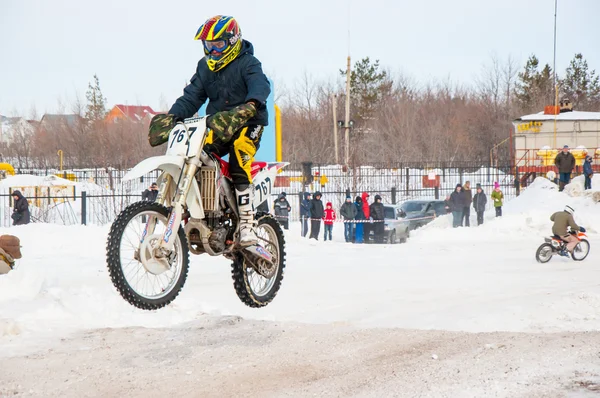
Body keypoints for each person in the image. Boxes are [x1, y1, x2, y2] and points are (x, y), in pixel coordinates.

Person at [148, 15, 270, 246]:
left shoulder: (248, 63)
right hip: (217, 123)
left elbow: (260, 85)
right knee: (195, 155)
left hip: (248, 122)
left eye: (218, 45)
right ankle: (202, 207)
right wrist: (173, 116)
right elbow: (191, 96)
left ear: (233, 41)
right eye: (208, 45)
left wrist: (251, 104)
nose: (213, 51)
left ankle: (246, 223)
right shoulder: (205, 68)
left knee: (239, 155)